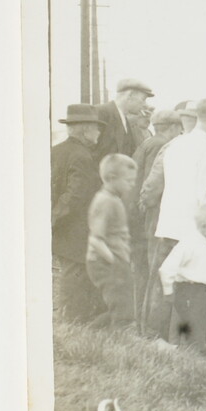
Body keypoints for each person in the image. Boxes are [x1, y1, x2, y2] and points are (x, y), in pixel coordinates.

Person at [156, 96, 206, 354]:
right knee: (193, 297)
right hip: (192, 230)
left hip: (169, 225)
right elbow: (204, 197)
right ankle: (187, 348)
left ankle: (168, 343)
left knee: (174, 291)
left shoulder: (176, 144)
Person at [131, 105, 185, 332]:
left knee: (145, 269)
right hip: (152, 214)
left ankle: (141, 325)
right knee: (153, 270)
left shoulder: (148, 142)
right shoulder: (161, 145)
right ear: (172, 127)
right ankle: (146, 328)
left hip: (143, 213)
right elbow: (152, 186)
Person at [50, 104, 105, 322]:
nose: (99, 133)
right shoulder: (83, 156)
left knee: (70, 272)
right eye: (96, 128)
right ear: (85, 130)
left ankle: (70, 319)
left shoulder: (57, 150)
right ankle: (72, 321)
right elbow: (75, 195)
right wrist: (55, 217)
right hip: (76, 228)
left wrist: (53, 218)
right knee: (75, 275)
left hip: (63, 227)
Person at [85, 154, 138, 326]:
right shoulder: (106, 201)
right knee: (122, 308)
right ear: (112, 178)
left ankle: (93, 333)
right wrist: (114, 263)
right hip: (106, 262)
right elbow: (95, 239)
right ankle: (124, 339)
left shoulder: (113, 199)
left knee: (120, 305)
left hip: (115, 260)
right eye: (129, 181)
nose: (133, 185)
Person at [93, 77, 154, 164]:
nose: (145, 104)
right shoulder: (101, 112)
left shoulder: (125, 121)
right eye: (143, 99)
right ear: (130, 95)